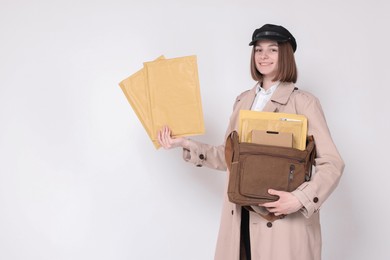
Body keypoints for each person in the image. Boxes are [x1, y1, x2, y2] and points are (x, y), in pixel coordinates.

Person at [157, 24, 344, 260]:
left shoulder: (304, 103)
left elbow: (332, 163)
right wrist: (185, 144)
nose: (263, 56)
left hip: (282, 223)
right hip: (240, 217)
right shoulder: (243, 101)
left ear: (285, 55)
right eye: (258, 50)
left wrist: (300, 199)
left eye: (272, 50)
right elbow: (230, 157)